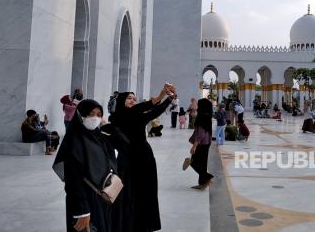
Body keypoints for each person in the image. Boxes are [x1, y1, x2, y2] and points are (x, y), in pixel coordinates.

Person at [111, 84, 175, 231]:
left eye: (134, 98)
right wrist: (160, 97)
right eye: (129, 98)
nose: (133, 100)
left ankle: (143, 224)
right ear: (121, 100)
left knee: (145, 190)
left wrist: (169, 99)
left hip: (144, 157)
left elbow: (155, 111)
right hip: (126, 159)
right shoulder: (117, 116)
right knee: (125, 191)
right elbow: (141, 108)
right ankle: (125, 223)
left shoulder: (137, 114)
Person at [52, 99, 118, 232]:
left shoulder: (98, 137)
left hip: (101, 196)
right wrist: (82, 211)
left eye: (99, 115)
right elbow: (72, 180)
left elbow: (120, 142)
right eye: (91, 114)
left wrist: (105, 124)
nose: (95, 118)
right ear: (80, 115)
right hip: (84, 201)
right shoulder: (74, 141)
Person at [189, 98, 214, 189]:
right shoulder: (207, 116)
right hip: (206, 143)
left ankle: (207, 178)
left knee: (193, 162)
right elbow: (193, 112)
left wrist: (194, 146)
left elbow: (201, 134)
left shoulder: (202, 117)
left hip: (201, 144)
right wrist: (194, 102)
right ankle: (202, 183)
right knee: (202, 164)